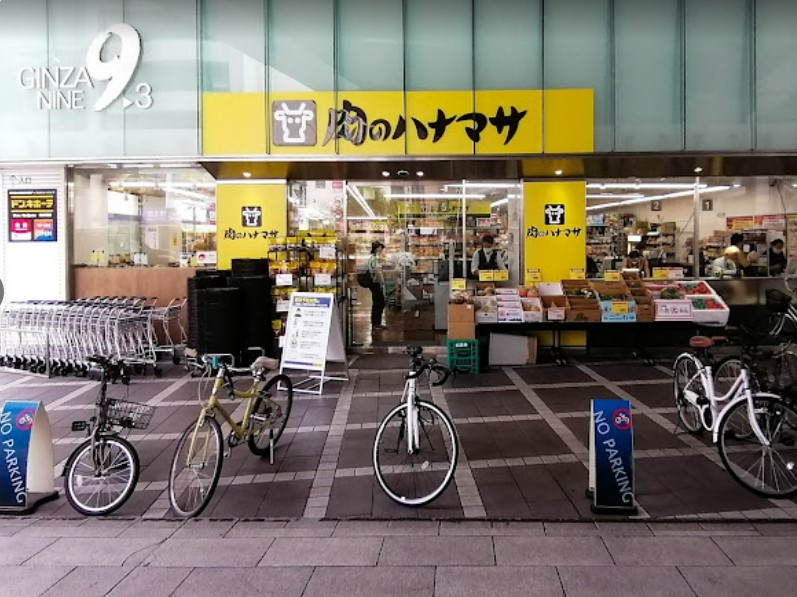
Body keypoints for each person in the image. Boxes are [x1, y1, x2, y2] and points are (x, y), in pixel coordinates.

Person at [368, 241, 387, 330]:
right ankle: (376, 324)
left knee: (377, 303)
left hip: (373, 283)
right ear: (377, 248)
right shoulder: (374, 259)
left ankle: (375, 323)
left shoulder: (372, 258)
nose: (381, 249)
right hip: (375, 283)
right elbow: (377, 271)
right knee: (380, 303)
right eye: (380, 248)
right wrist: (381, 282)